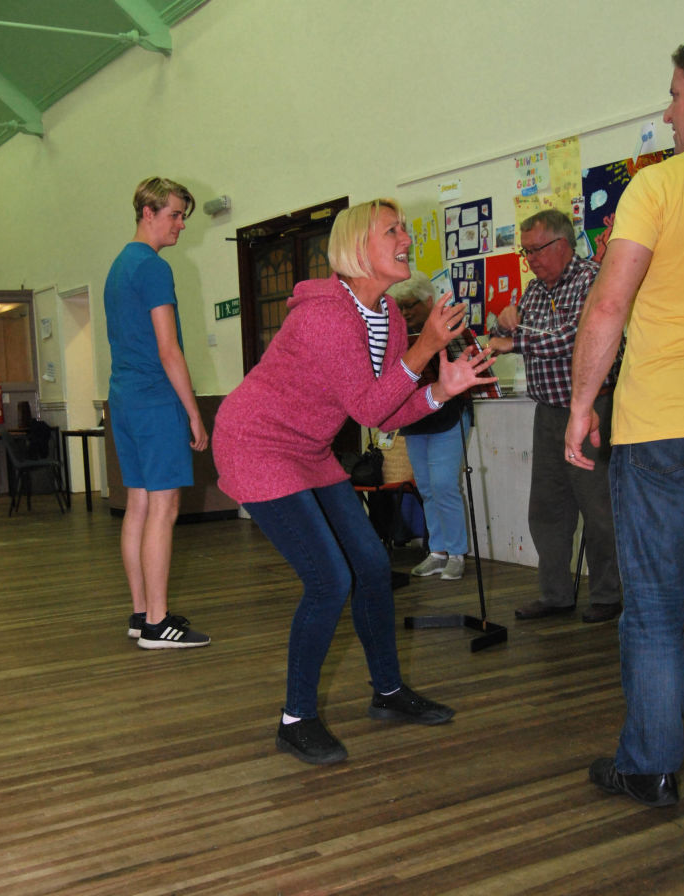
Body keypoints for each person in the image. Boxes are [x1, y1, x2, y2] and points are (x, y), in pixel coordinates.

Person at [212, 198, 496, 765]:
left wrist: (445, 388)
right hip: (257, 444)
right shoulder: (324, 315)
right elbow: (369, 406)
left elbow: (386, 414)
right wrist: (427, 348)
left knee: (370, 565)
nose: (404, 237)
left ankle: (388, 693)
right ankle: (297, 720)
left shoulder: (387, 315)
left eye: (403, 228)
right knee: (328, 580)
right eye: (390, 230)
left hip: (309, 449)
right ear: (356, 247)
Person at [564, 35, 684, 816]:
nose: (669, 109)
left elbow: (608, 305)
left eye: (676, 92)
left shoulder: (661, 186)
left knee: (654, 607)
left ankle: (649, 766)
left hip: (664, 427)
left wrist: (582, 406)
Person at [488, 209, 623, 624]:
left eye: (536, 250)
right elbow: (507, 329)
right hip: (547, 412)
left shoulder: (590, 279)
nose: (530, 259)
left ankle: (609, 595)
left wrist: (513, 341)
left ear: (563, 244)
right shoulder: (532, 291)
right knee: (546, 509)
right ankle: (555, 595)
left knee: (599, 509)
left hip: (591, 409)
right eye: (525, 251)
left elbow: (572, 336)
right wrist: (505, 317)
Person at [104, 176, 210, 649]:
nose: (180, 225)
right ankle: (157, 624)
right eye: (174, 214)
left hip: (125, 398)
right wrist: (193, 412)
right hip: (154, 399)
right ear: (148, 212)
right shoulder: (151, 267)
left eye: (183, 216)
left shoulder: (118, 266)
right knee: (163, 508)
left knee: (139, 504)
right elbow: (169, 350)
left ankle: (142, 612)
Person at [392, 271, 475, 581]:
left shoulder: (450, 329)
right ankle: (437, 551)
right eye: (400, 308)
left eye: (410, 305)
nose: (405, 313)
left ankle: (456, 553)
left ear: (429, 301)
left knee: (443, 485)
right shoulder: (400, 337)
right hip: (415, 419)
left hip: (449, 416)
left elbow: (463, 371)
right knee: (426, 488)